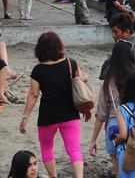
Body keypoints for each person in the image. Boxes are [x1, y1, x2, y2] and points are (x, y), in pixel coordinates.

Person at [20, 32, 86, 178]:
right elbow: (81, 84)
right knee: (74, 149)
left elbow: (33, 94)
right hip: (70, 114)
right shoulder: (71, 63)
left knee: (46, 148)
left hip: (47, 116)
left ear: (40, 49)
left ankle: (53, 176)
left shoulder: (38, 70)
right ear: (59, 46)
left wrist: (25, 118)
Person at [90, 40, 135, 177]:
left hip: (114, 127)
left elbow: (101, 113)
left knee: (117, 168)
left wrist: (93, 140)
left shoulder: (109, 82)